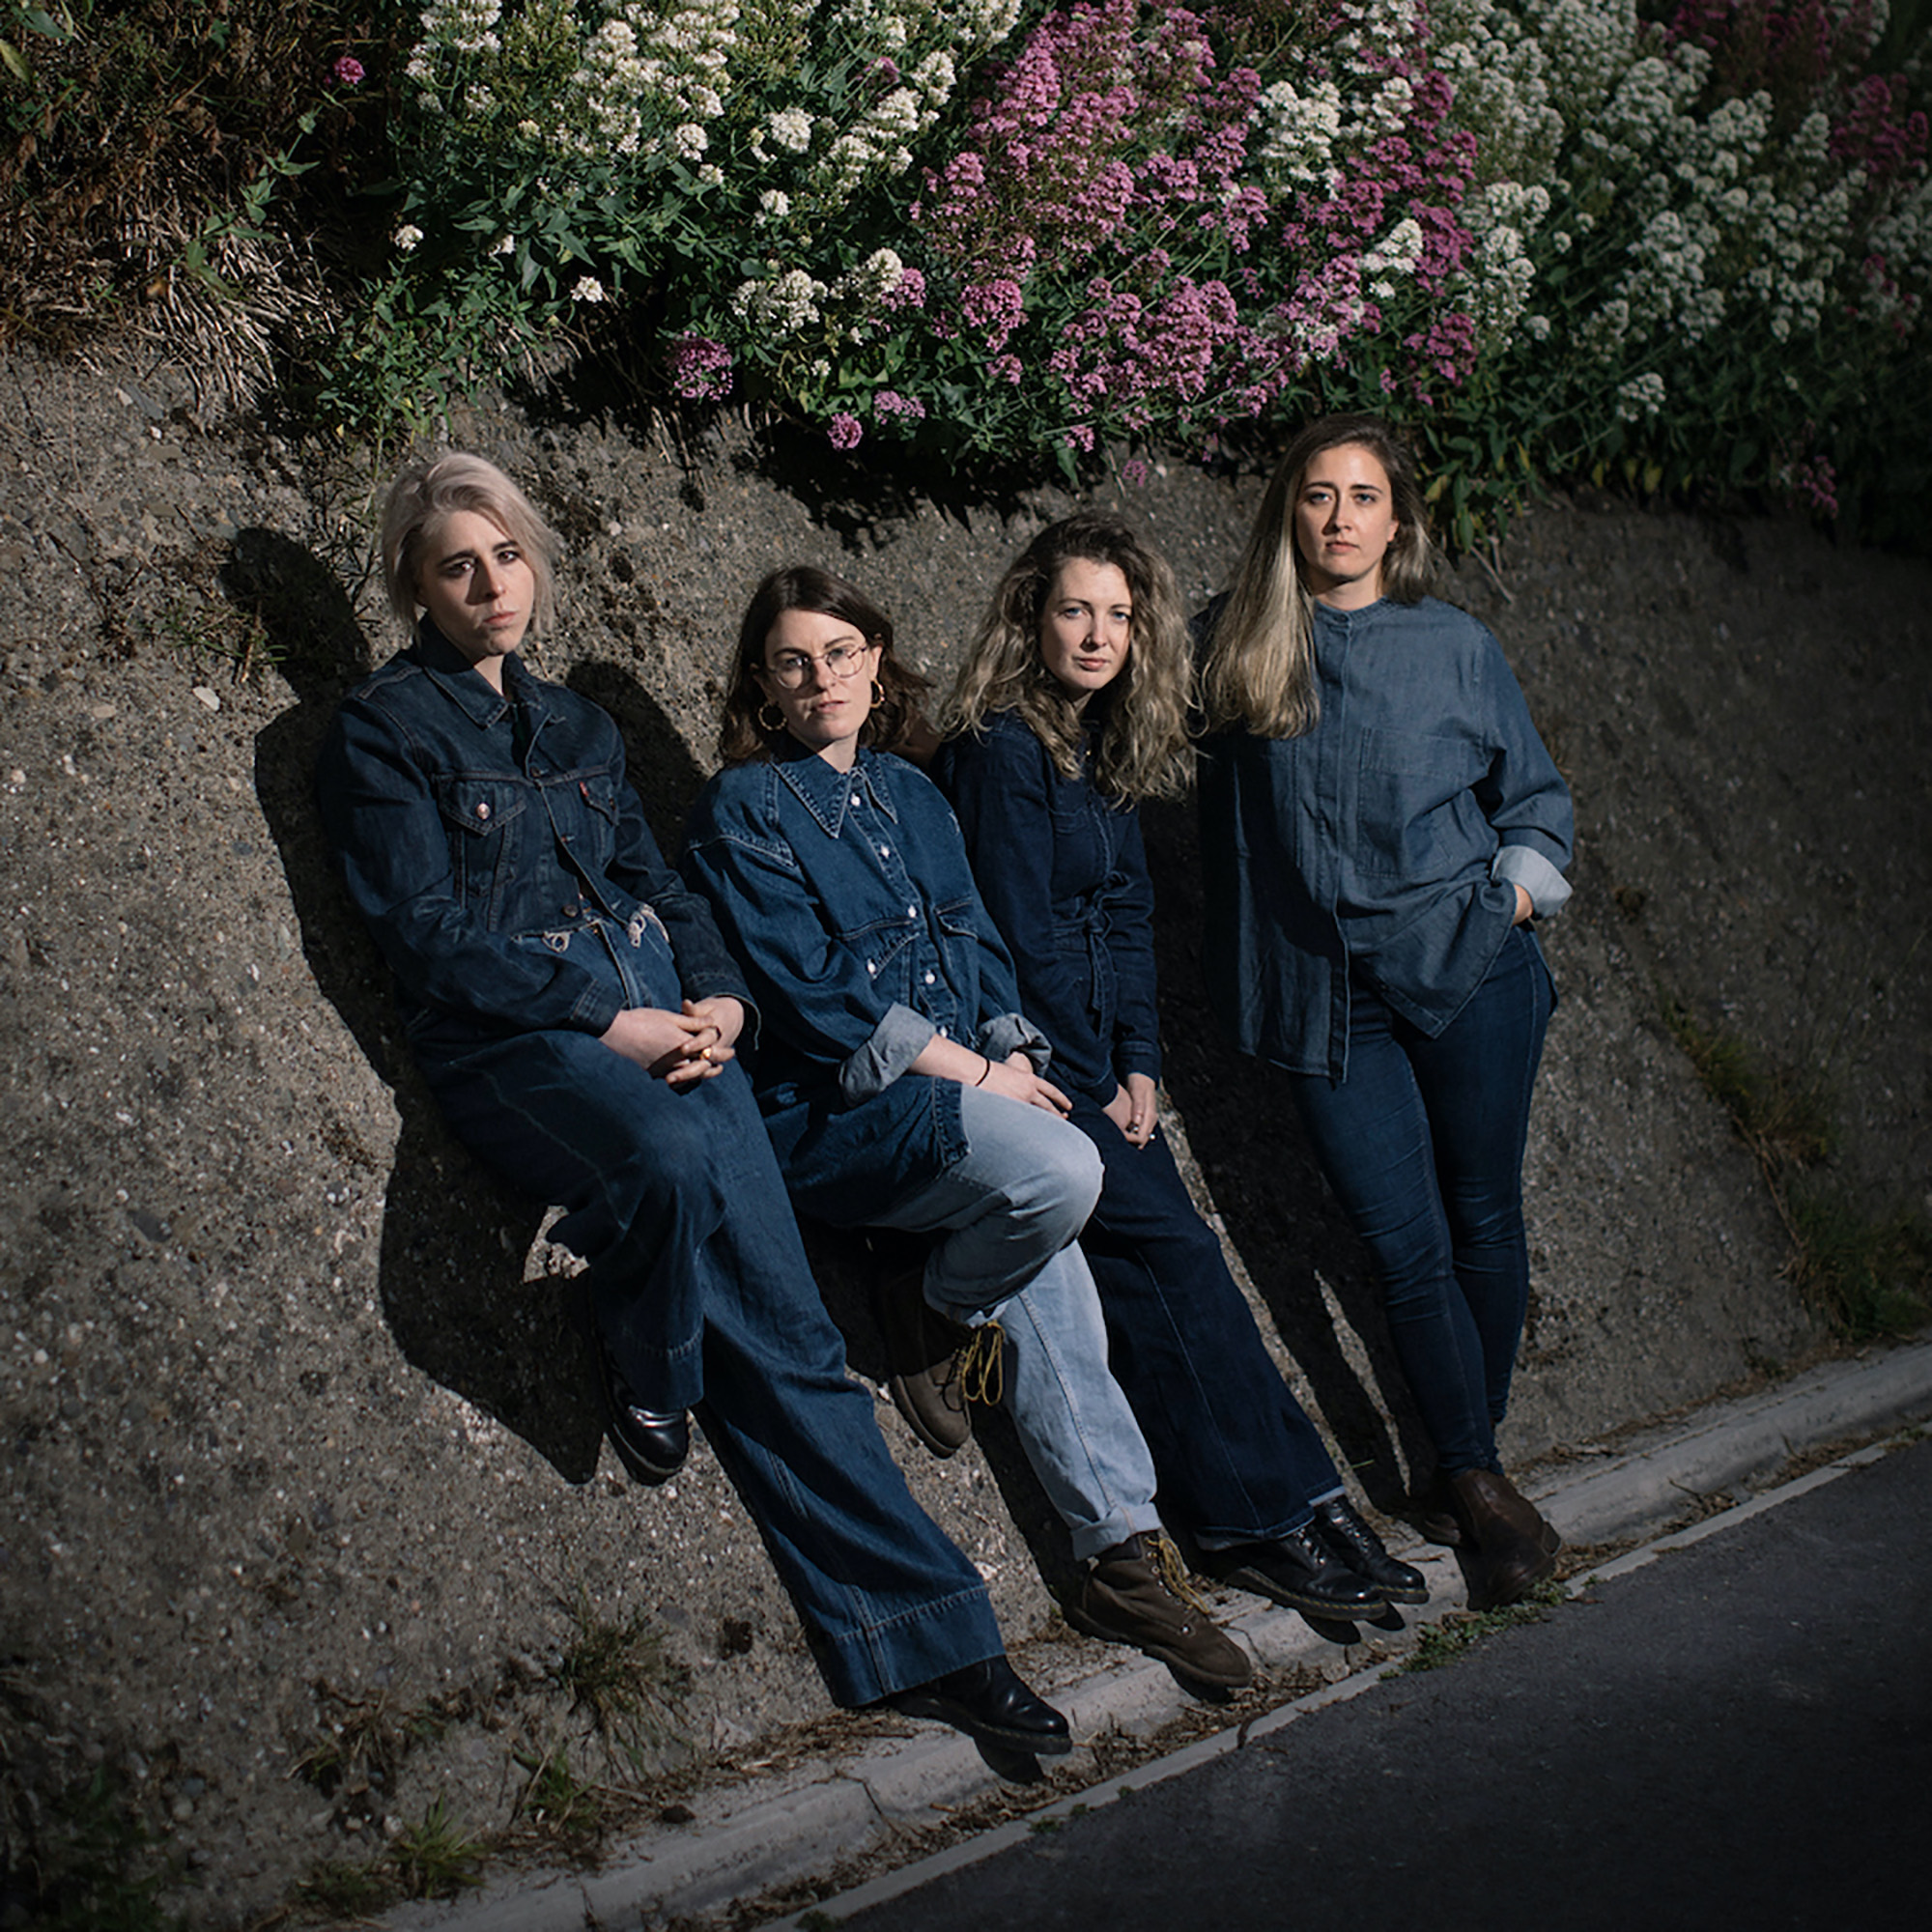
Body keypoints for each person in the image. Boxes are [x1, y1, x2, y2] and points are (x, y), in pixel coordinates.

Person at [315, 452, 1070, 1759]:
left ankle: (941, 1639)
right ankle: (651, 1351)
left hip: (666, 1010)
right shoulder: (381, 731)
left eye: (507, 556)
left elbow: (659, 886)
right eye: (458, 567)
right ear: (415, 588)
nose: (491, 585)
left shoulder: (578, 727)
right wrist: (603, 1017)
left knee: (790, 1325)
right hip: (523, 1038)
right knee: (664, 1159)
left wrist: (719, 998)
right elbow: (426, 937)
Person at [680, 565, 1254, 1690]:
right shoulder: (740, 809)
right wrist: (984, 1073)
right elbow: (816, 997)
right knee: (1062, 1171)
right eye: (793, 661)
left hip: (961, 1096)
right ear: (763, 683)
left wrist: (1012, 1052)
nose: (821, 677)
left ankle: (1119, 1549)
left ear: (874, 660)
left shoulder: (912, 790)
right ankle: (938, 1300)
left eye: (840, 653)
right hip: (839, 1116)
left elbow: (981, 947)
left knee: (1051, 1242)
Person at [933, 511, 1424, 1616]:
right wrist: (1090, 1077)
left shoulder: (1098, 742)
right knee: (1180, 1256)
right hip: (1032, 1060)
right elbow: (1015, 937)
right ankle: (1265, 1511)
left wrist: (1142, 1062)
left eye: (1117, 615)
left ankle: (1296, 1502)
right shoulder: (1001, 748)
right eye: (1074, 610)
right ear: (1029, 616)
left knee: (1162, 1273)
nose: (1096, 635)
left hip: (1097, 1058)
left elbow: (1124, 915)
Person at [1194, 413, 1574, 1609]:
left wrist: (1509, 900)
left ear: (1396, 519)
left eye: (1363, 495)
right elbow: (1108, 702)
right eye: (1318, 493)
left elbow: (1536, 800)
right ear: (1287, 510)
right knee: (1401, 1245)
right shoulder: (1232, 641)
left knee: (1480, 1216)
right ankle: (1477, 1477)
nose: (1340, 516)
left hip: (1469, 972)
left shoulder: (1454, 645)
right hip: (1321, 999)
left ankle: (1469, 1469)